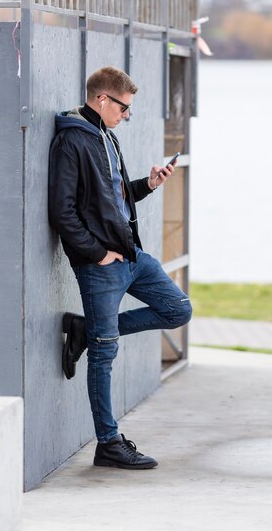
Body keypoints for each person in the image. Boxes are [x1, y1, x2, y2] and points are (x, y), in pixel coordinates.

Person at [48, 66, 192, 470]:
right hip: (101, 264)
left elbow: (114, 198)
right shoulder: (72, 141)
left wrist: (147, 184)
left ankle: (85, 330)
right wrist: (95, 253)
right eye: (124, 108)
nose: (127, 115)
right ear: (102, 100)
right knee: (105, 353)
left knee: (178, 310)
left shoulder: (106, 137)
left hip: (131, 257)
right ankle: (108, 444)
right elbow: (63, 210)